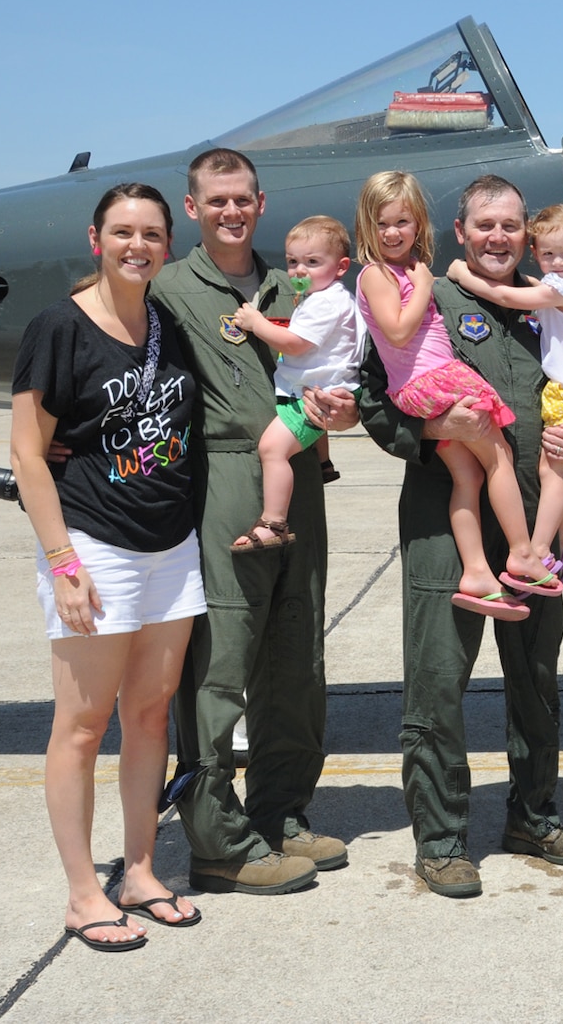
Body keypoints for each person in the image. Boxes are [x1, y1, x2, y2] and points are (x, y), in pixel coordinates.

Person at [355, 174, 563, 898]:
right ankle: (440, 838)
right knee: (437, 684)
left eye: (512, 225)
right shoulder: (423, 295)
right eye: (485, 225)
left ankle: (533, 812)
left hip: (534, 523)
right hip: (446, 523)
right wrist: (436, 427)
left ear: (528, 233)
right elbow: (375, 398)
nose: (499, 237)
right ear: (459, 231)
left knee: (537, 681)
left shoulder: (554, 302)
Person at [11, 183, 205, 949]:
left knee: (151, 715)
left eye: (150, 233)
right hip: (94, 543)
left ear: (166, 244)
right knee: (83, 725)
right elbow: (28, 451)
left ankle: (142, 869)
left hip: (171, 546)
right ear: (97, 240)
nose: (137, 245)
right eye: (122, 231)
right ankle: (83, 891)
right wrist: (62, 561)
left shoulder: (167, 323)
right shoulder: (58, 326)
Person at [156, 148, 352, 895]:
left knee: (296, 652)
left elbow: (342, 366)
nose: (231, 211)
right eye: (217, 200)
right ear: (194, 207)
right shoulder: (172, 288)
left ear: (260, 203)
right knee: (224, 659)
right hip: (226, 475)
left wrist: (346, 407)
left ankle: (281, 812)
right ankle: (216, 838)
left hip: (298, 466)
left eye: (242, 199)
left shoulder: (291, 281)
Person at [353, 170, 550, 618]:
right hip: (436, 383)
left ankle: (477, 572)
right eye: (381, 224)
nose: (392, 233)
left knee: (470, 475)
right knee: (497, 455)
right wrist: (426, 283)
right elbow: (390, 350)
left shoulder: (536, 304)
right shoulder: (408, 281)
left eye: (402, 222)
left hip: (424, 388)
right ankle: (523, 554)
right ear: (460, 231)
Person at [449, 203, 563, 590]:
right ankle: (561, 544)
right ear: (536, 252)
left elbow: (509, 297)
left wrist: (460, 272)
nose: (557, 263)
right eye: (548, 255)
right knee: (558, 471)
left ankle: (539, 549)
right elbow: (538, 287)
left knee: (549, 472)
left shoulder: (562, 288)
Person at [228, 216, 363, 553]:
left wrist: (255, 323)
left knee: (272, 449)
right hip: (323, 387)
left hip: (322, 395)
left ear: (342, 266)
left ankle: (274, 521)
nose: (300, 270)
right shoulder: (323, 296)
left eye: (313, 262)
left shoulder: (327, 301)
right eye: (292, 262)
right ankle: (323, 463)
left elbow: (296, 344)